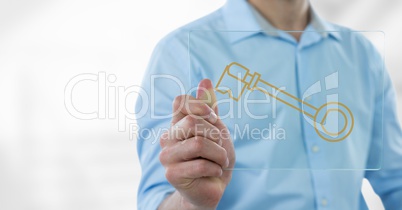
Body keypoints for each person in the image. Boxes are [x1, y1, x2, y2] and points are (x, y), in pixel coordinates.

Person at [136, 0, 402, 209]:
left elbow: (394, 180)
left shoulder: (362, 54)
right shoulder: (183, 52)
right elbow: (156, 199)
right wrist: (190, 202)